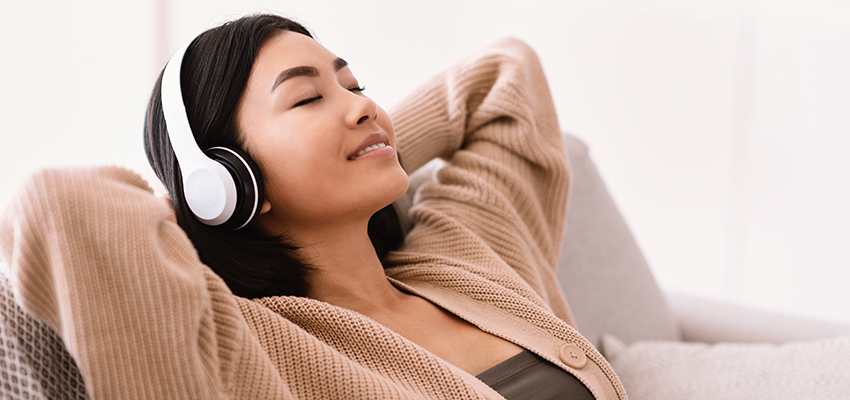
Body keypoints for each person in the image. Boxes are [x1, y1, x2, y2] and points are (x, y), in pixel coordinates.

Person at [0, 13, 626, 399]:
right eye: (307, 100)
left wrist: (374, 144)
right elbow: (61, 205)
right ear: (226, 175)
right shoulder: (244, 345)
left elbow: (504, 77)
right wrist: (206, 202)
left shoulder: (464, 250)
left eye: (355, 86)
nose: (362, 105)